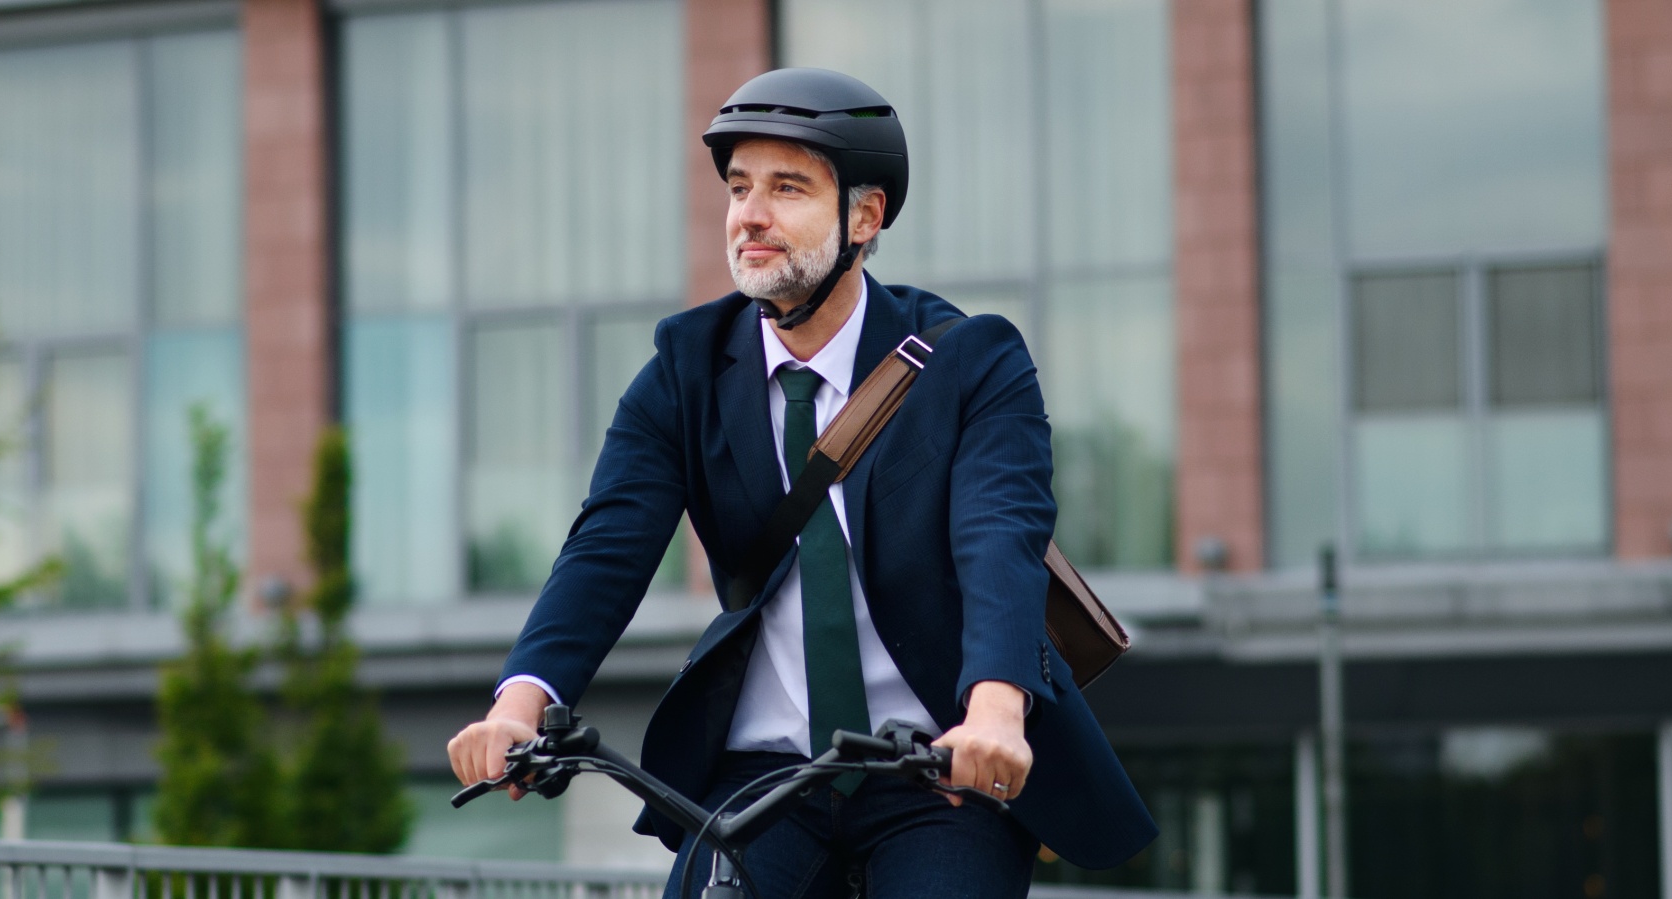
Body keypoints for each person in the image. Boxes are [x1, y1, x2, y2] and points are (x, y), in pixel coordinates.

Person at [444, 68, 1157, 898]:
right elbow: (607, 545)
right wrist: (520, 702)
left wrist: (995, 709)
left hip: (936, 769)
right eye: (740, 187)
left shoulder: (971, 361)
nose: (750, 213)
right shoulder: (687, 369)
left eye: (787, 188)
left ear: (864, 215)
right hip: (767, 775)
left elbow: (1000, 534)